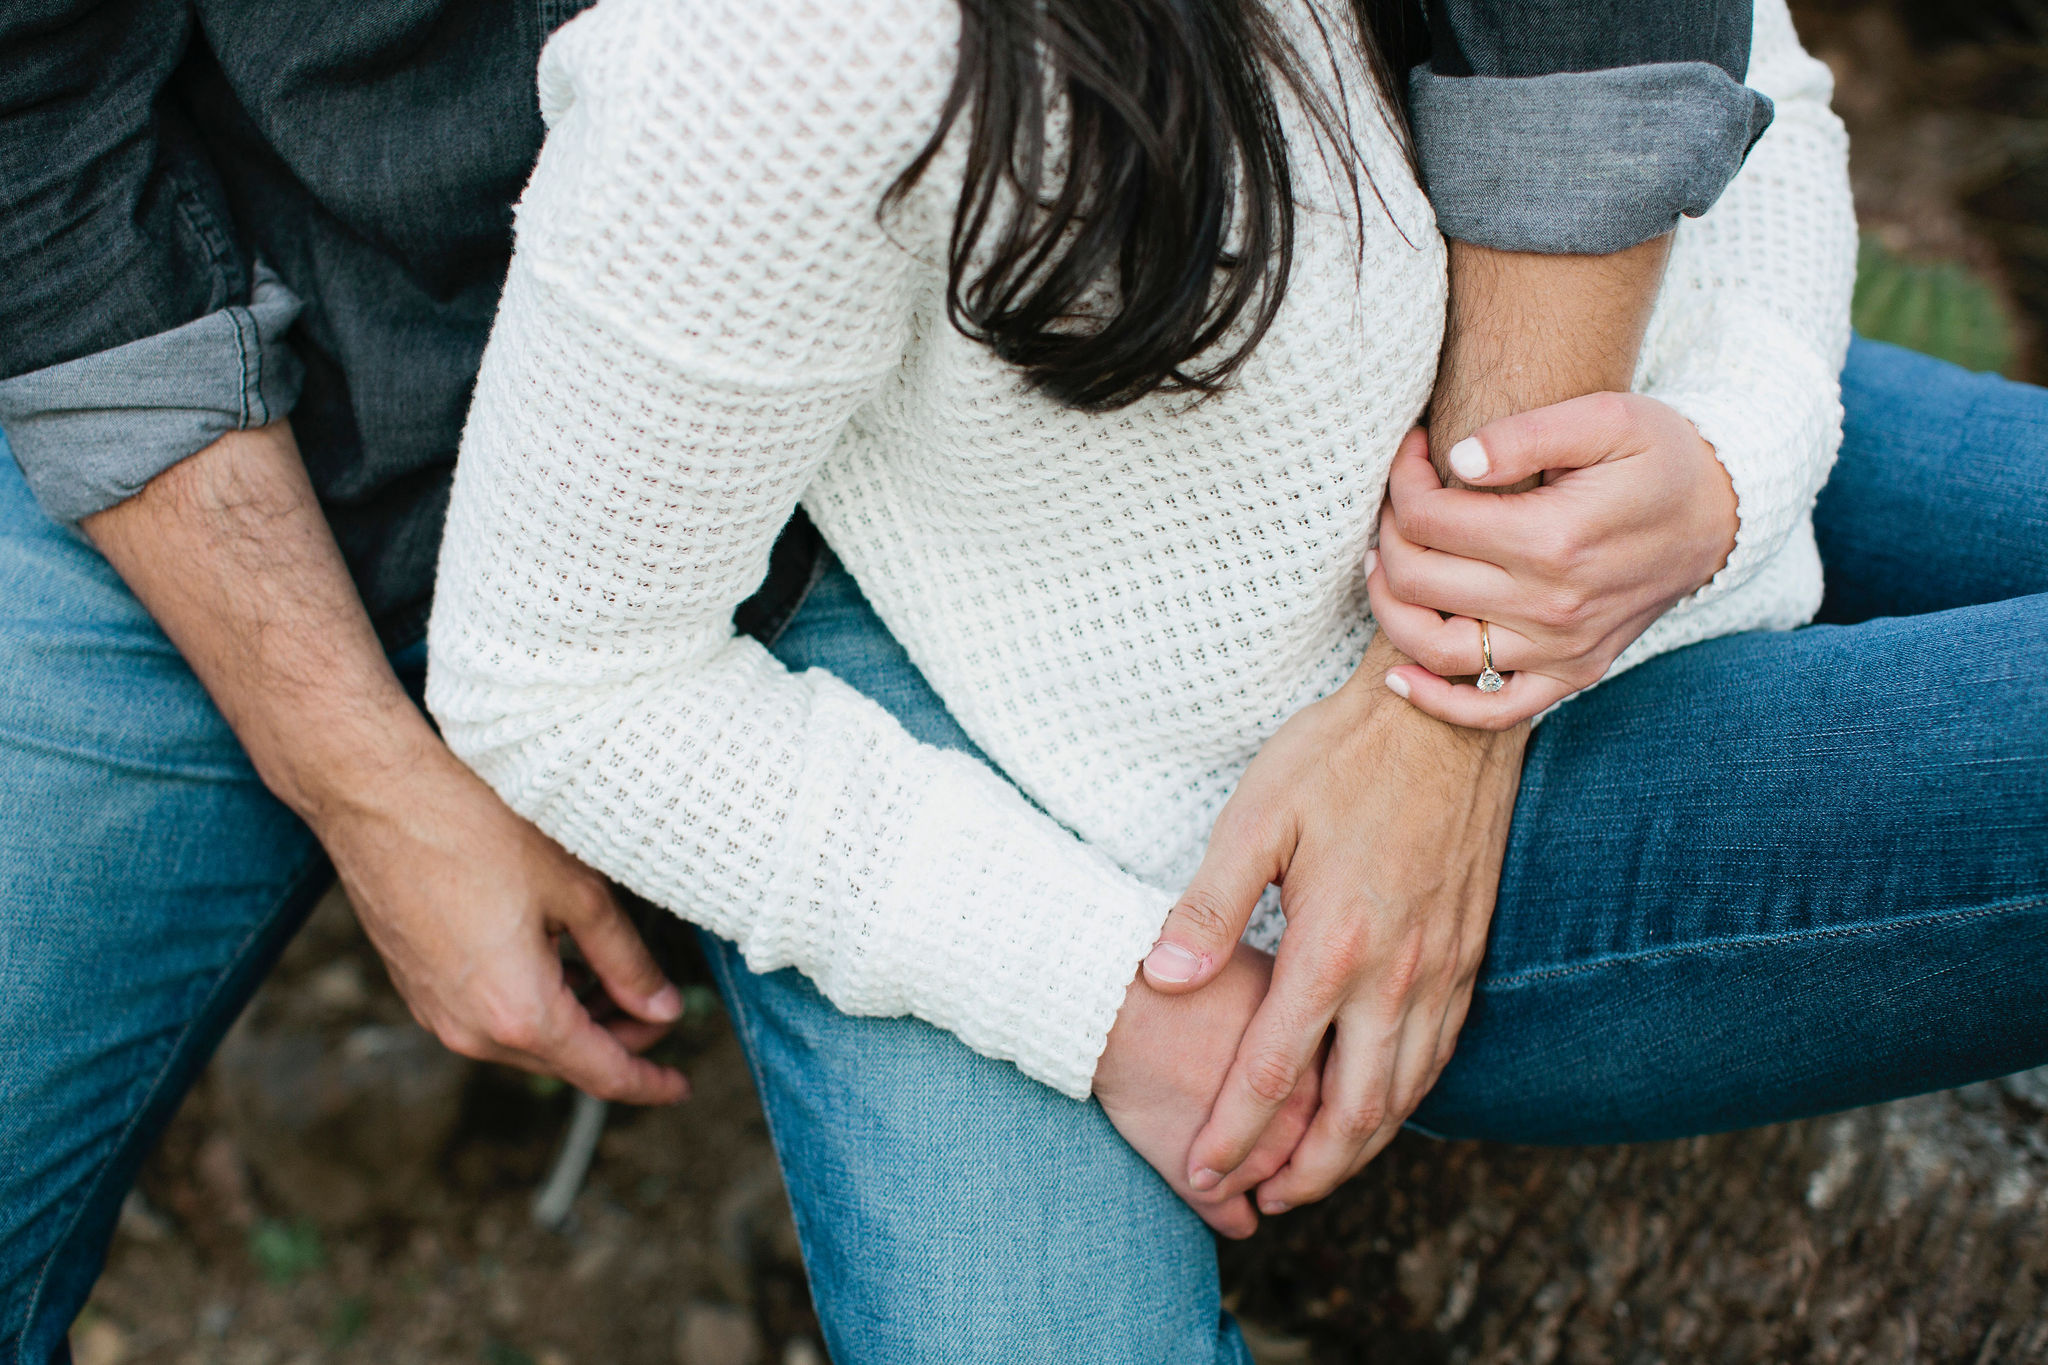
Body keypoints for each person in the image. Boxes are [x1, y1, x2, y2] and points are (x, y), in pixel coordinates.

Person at [0, 1, 1989, 1363]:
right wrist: (363, 767)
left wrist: (1691, 466)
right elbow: (573, 668)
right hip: (324, 395)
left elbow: (1702, 66)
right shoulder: (788, 62)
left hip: (1223, 386)